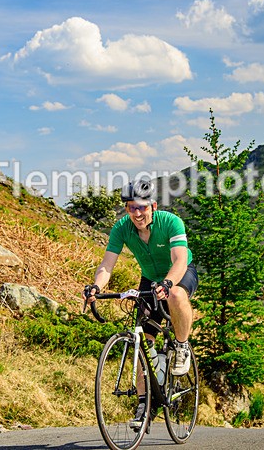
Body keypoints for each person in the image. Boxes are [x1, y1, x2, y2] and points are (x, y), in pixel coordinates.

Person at [83, 177, 198, 428]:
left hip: (178, 273)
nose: (137, 213)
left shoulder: (171, 222)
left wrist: (168, 283)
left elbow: (179, 260)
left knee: (177, 295)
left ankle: (181, 346)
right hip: (149, 279)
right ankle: (144, 405)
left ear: (153, 206)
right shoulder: (121, 228)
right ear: (126, 209)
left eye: (142, 207)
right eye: (132, 207)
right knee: (141, 344)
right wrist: (96, 287)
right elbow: (106, 265)